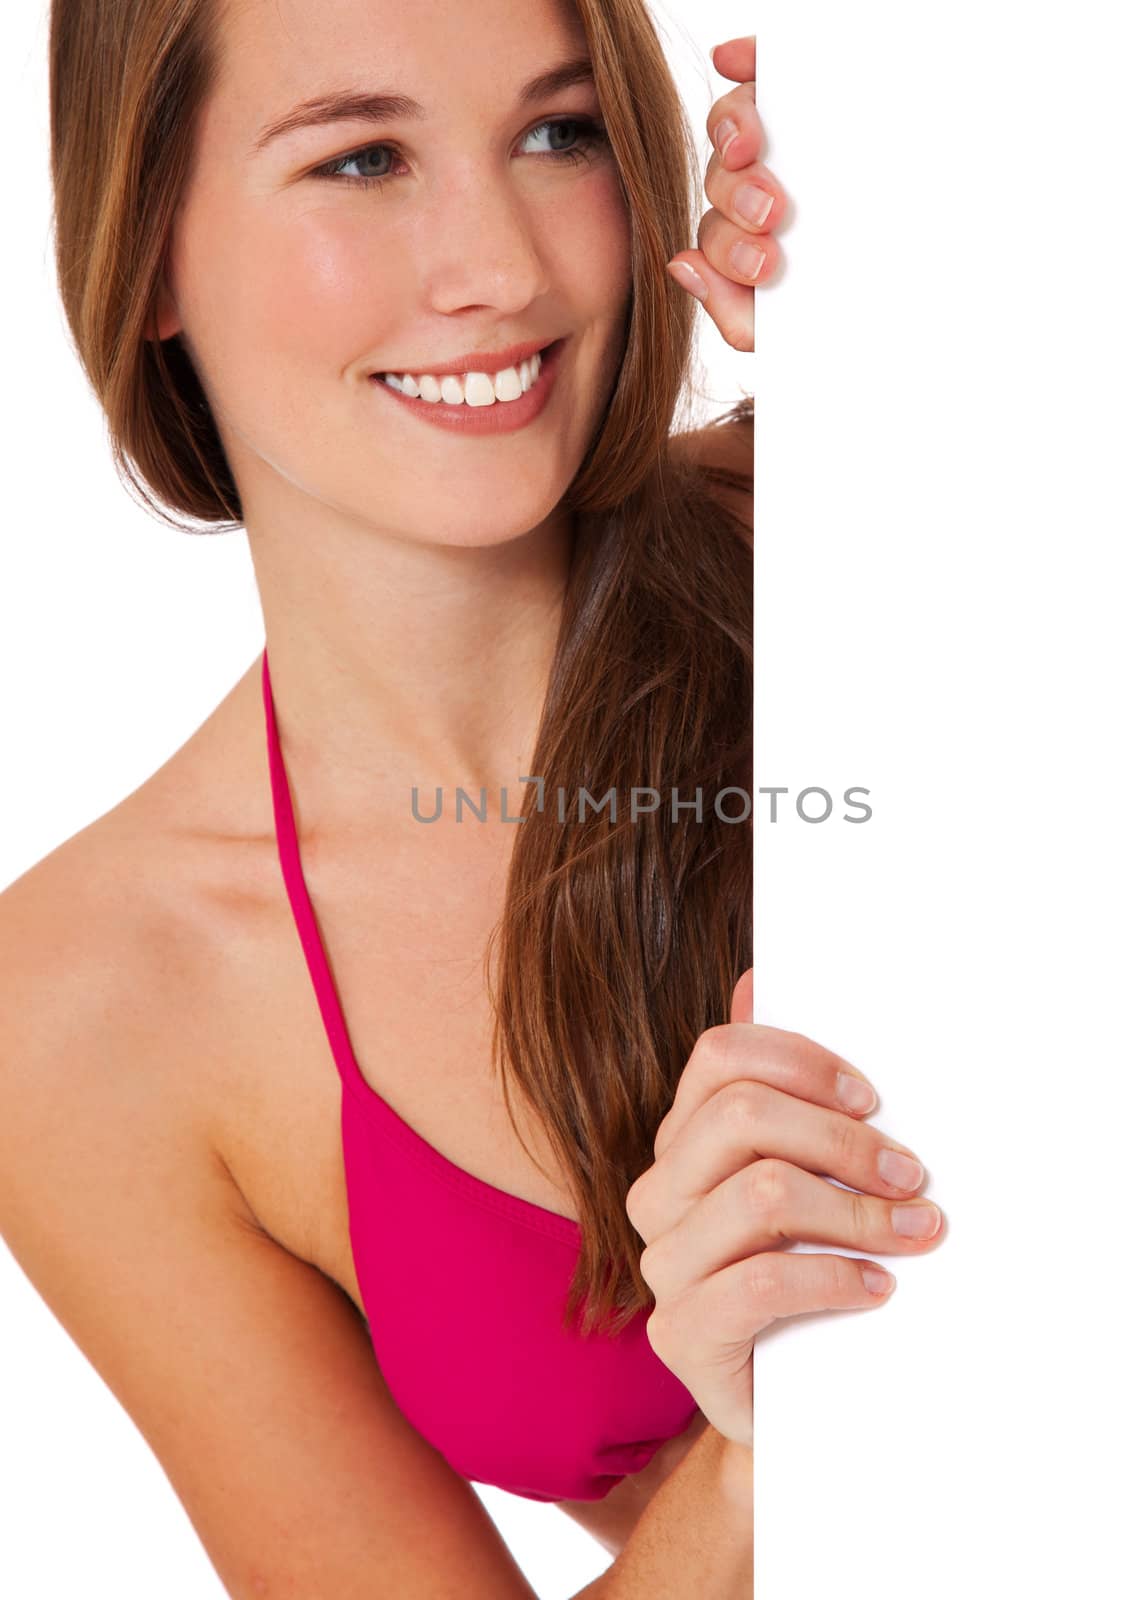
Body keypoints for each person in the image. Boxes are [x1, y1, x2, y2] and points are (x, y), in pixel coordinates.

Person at [0, 2, 945, 1594]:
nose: (498, 265)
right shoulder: (87, 1010)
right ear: (146, 245)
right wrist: (765, 1445)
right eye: (362, 157)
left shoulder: (885, 536)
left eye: (560, 133)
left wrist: (981, 320)